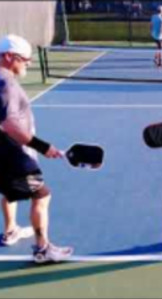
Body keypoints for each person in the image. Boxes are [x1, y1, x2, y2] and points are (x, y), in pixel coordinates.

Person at [0, 34, 73, 263]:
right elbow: (8, 123)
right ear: (9, 56)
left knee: (9, 190)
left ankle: (11, 230)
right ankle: (43, 250)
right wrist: (42, 147)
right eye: (25, 59)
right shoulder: (6, 83)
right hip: (13, 153)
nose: (29, 64)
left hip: (4, 153)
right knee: (42, 195)